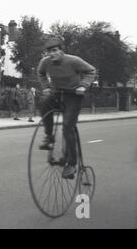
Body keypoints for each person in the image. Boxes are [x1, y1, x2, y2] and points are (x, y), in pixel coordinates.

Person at [37, 37, 96, 179]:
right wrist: (45, 87)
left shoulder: (73, 60)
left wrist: (83, 85)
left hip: (73, 96)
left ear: (61, 50)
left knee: (68, 126)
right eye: (49, 52)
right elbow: (40, 73)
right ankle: (49, 137)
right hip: (57, 93)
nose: (52, 54)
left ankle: (71, 164)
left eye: (55, 50)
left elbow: (91, 71)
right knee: (44, 103)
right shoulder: (45, 62)